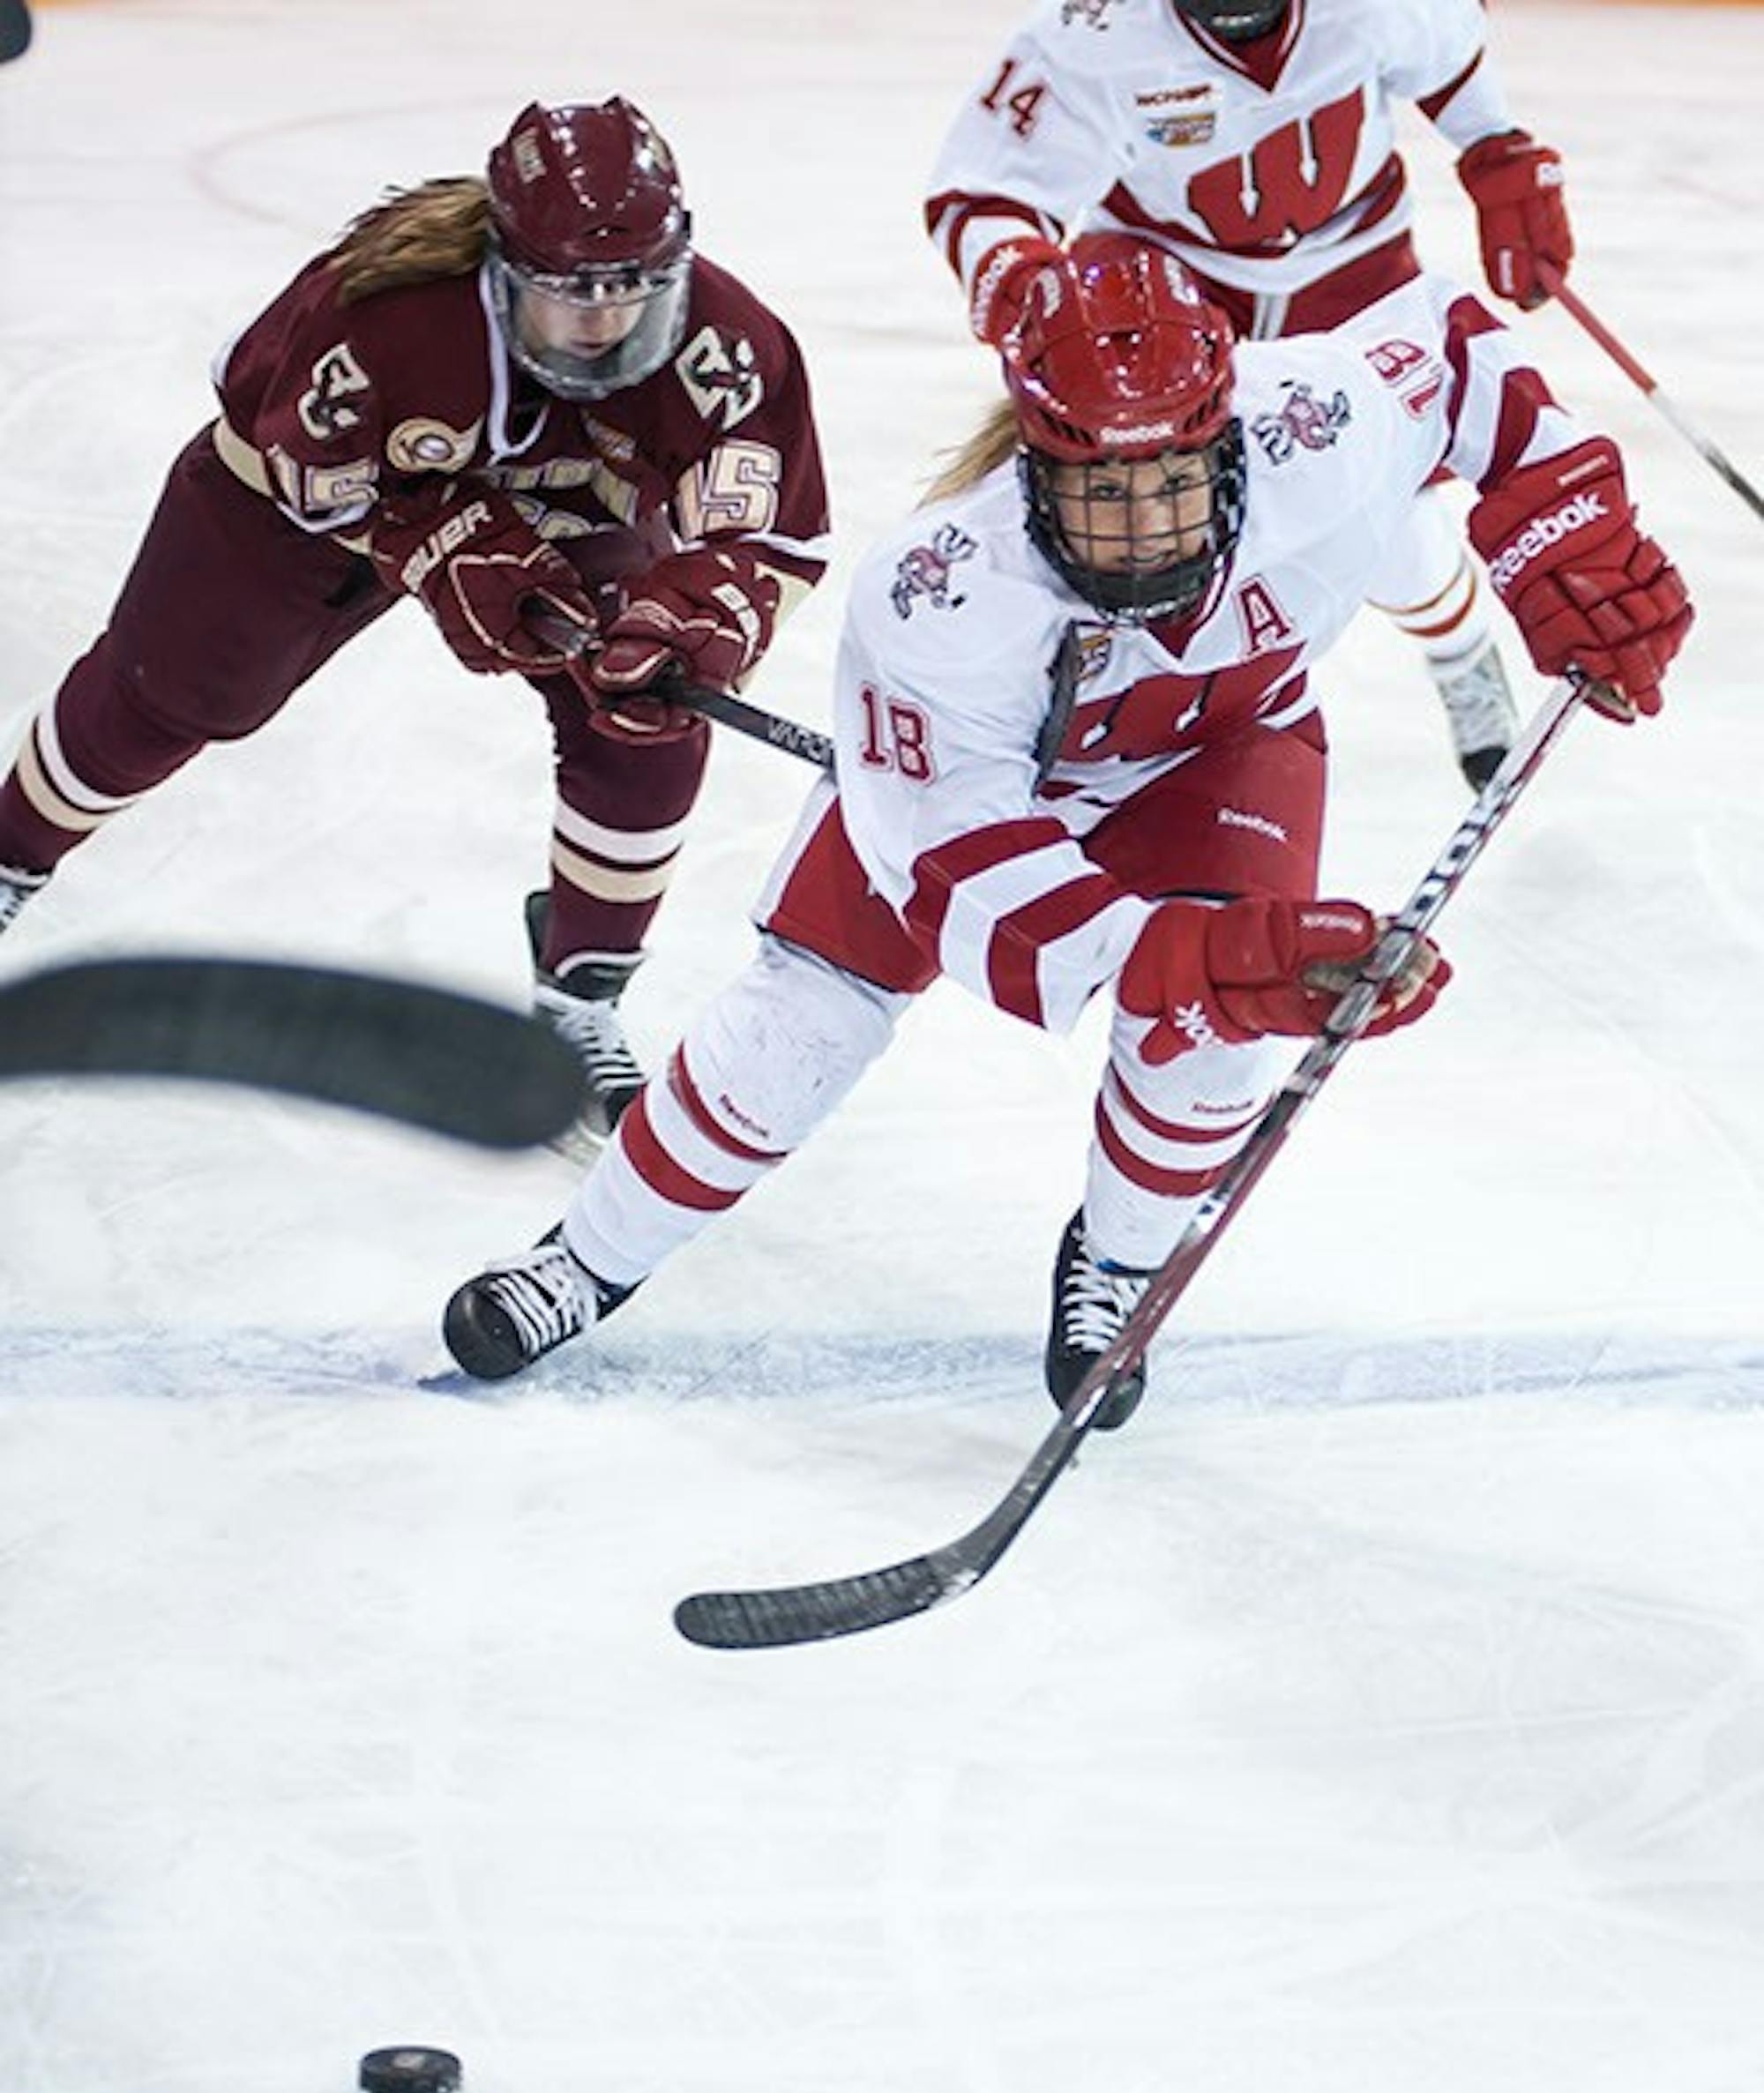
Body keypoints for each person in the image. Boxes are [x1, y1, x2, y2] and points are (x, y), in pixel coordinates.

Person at [439, 236, 1689, 1427]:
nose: (1142, 521)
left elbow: (1458, 353)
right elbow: (975, 889)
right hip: (985, 808)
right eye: (1100, 487)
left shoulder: (1316, 423)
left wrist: (1561, 536)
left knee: (1207, 1044)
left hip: (1225, 751)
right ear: (1036, 459)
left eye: (1170, 478)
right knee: (800, 1020)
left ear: (1229, 436)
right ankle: (587, 1261)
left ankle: (1122, 1263)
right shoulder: (938, 599)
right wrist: (1197, 960)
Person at [0, 98, 831, 1155]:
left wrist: (692, 620)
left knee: (646, 715)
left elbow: (772, 541)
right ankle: (8, 859)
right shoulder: (383, 314)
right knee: (169, 696)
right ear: (500, 264)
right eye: (570, 292)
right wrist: (438, 539)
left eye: (632, 289)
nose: (604, 323)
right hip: (320, 507)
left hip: (568, 506)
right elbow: (303, 474)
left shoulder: (729, 344)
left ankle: (580, 995)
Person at [923, 0, 1574, 789]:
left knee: (1403, 542)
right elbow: (983, 192)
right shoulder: (1093, 36)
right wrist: (1033, 286)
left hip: (1356, 283)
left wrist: (1498, 155)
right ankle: (1089, 704)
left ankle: (1461, 655)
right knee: (1117, 517)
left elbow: (1451, 55)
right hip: (1164, 296)